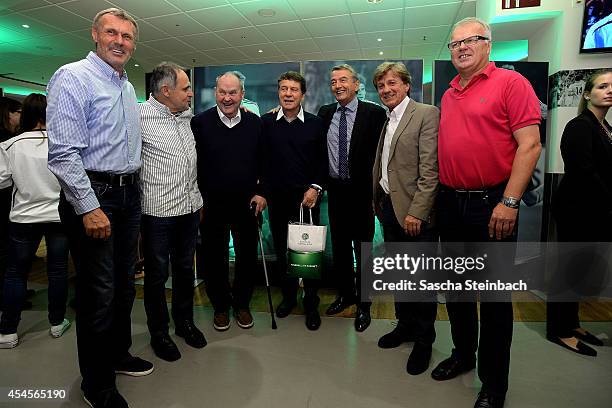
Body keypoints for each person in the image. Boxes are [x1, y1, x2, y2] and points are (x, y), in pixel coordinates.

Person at [432, 17, 541, 408]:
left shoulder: (512, 84)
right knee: (458, 292)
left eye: (471, 40)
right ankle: (463, 355)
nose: (461, 47)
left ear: (488, 45)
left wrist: (509, 202)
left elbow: (530, 146)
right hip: (450, 203)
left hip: (491, 204)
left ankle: (495, 386)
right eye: (455, 43)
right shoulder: (448, 94)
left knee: (493, 300)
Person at [47, 8, 153, 408]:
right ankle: (97, 383)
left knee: (125, 284)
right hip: (94, 195)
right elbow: (62, 153)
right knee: (99, 293)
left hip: (127, 195)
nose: (120, 41)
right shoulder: (74, 77)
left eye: (127, 36)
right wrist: (89, 207)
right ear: (95, 34)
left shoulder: (126, 86)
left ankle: (117, 354)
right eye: (112, 32)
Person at [371, 62, 440, 375]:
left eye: (392, 84)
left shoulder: (426, 114)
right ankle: (405, 327)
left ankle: (424, 339)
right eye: (382, 86)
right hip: (389, 209)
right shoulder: (388, 119)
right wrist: (379, 201)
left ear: (407, 85)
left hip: (414, 214)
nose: (386, 90)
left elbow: (430, 170)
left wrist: (418, 211)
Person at [139, 62, 206, 362]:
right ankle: (159, 332)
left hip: (189, 209)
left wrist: (198, 201)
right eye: (186, 88)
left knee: (184, 271)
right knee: (155, 276)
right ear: (166, 90)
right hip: (157, 214)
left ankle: (184, 323)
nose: (191, 93)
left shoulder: (186, 117)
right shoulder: (138, 117)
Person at [191, 71, 266, 332]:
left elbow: (267, 163)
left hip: (247, 205)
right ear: (215, 93)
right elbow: (192, 166)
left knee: (246, 257)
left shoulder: (256, 124)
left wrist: (262, 192)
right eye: (222, 92)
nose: (227, 97)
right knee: (214, 258)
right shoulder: (200, 123)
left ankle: (242, 305)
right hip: (211, 205)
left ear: (242, 94)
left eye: (233, 92)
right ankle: (221, 307)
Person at [546, 69, 612, 356]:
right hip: (578, 209)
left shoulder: (604, 127)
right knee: (569, 269)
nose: (609, 90)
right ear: (587, 94)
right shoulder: (580, 126)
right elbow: (584, 172)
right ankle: (559, 330)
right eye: (602, 86)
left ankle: (571, 323)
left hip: (594, 209)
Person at [317, 64, 386, 332]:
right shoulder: (325, 114)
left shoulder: (374, 113)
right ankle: (345, 295)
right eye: (333, 82)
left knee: (364, 249)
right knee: (341, 248)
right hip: (336, 192)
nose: (338, 85)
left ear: (356, 85)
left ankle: (364, 304)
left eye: (343, 80)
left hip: (362, 193)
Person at [0, 93, 70, 348]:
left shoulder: (10, 145)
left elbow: (2, 180)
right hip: (57, 216)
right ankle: (56, 322)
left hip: (23, 217)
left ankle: (8, 330)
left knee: (16, 273)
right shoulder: (62, 143)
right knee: (58, 271)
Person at [262, 71, 327, 330]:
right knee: (283, 253)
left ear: (303, 94)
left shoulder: (315, 123)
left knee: (308, 254)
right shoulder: (266, 123)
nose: (288, 94)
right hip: (277, 201)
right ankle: (289, 297)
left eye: (294, 90)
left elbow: (324, 162)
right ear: (279, 92)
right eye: (284, 89)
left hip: (307, 201)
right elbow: (261, 161)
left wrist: (315, 188)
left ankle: (311, 303)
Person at [0, 97, 22, 309]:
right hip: (8, 204)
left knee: (13, 262)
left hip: (17, 209)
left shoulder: (13, 141)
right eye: (18, 112)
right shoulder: (8, 142)